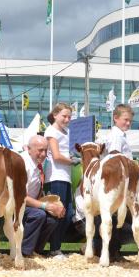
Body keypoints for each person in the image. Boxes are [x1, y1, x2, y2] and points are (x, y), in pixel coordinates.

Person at [92, 104, 138, 260]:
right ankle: (108, 251)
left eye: (130, 121)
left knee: (112, 215)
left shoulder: (117, 135)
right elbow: (116, 158)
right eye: (125, 120)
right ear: (115, 118)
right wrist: (136, 167)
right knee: (112, 215)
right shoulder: (116, 136)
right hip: (116, 180)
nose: (128, 123)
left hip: (116, 179)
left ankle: (112, 251)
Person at [19, 135, 65, 257]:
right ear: (29, 149)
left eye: (46, 150)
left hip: (28, 205)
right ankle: (23, 252)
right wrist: (45, 206)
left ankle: (35, 251)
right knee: (39, 214)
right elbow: (20, 197)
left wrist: (52, 205)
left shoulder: (37, 163)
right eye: (40, 150)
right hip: (15, 206)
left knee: (52, 219)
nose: (44, 154)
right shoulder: (22, 163)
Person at [45, 103, 77, 259]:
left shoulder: (67, 131)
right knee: (58, 212)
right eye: (64, 116)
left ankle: (56, 247)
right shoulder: (51, 131)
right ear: (55, 115)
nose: (67, 119)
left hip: (66, 176)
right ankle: (54, 248)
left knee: (68, 212)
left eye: (69, 116)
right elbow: (56, 156)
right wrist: (72, 161)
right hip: (55, 175)